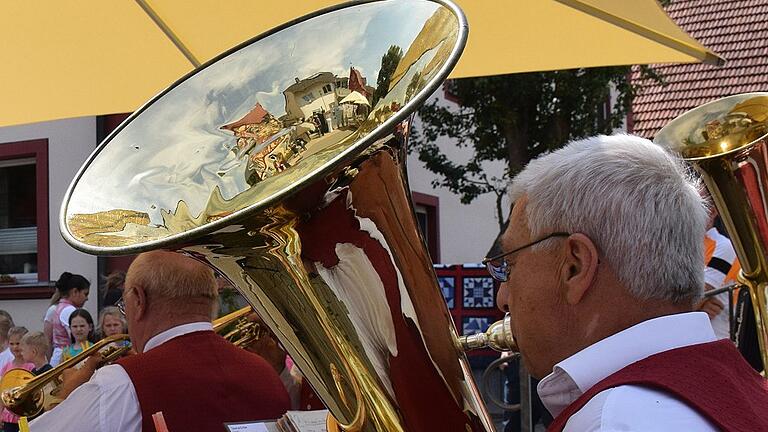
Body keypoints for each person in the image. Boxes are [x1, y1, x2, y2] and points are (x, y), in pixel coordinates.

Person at [489, 134, 768, 431]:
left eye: (510, 264)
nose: (502, 298)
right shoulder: (748, 389)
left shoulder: (608, 420)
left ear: (575, 265)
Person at [29, 250, 290, 432]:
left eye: (124, 306)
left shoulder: (118, 384)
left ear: (139, 300)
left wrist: (68, 395)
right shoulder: (267, 374)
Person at [45, 272, 90, 366]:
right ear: (75, 292)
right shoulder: (69, 310)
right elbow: (76, 337)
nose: (87, 298)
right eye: (85, 294)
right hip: (68, 357)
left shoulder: (58, 307)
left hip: (59, 355)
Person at [0, 326, 33, 432]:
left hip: (25, 417)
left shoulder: (31, 366)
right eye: (11, 344)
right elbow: (2, 393)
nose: (15, 347)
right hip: (8, 418)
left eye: (18, 343)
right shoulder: (6, 366)